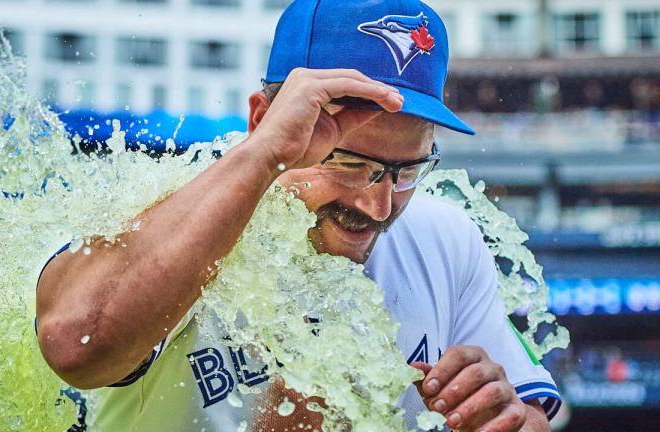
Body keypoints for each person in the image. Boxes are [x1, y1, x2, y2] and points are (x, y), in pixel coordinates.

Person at [36, 0, 561, 430]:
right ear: (263, 120)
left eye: (405, 170)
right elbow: (76, 349)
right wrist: (264, 154)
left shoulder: (448, 237)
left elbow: (530, 418)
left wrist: (502, 414)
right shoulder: (165, 220)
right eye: (349, 161)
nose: (376, 206)